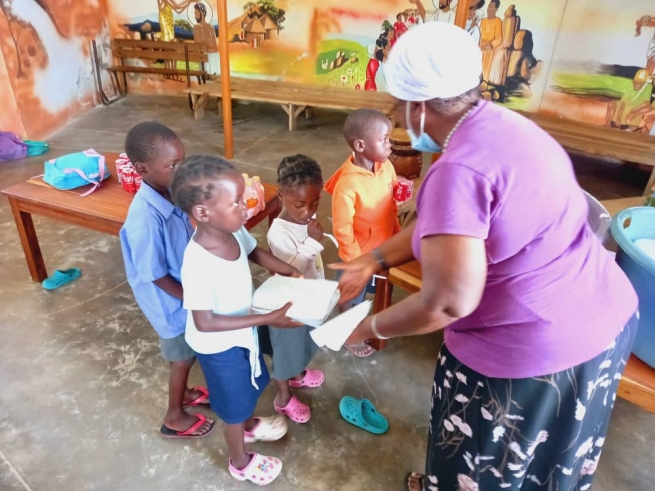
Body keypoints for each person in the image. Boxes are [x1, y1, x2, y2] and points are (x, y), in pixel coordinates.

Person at [332, 23, 638, 491]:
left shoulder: (458, 169)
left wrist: (370, 326)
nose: (398, 122)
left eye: (397, 108)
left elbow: (448, 304)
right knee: (546, 460)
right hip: (602, 319)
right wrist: (373, 258)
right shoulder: (503, 125)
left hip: (532, 352)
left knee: (481, 463)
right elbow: (448, 226)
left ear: (417, 106)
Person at [172, 155, 303, 486]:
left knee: (246, 386)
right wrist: (269, 317)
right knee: (231, 404)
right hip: (219, 345)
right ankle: (240, 460)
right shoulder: (198, 262)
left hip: (243, 330)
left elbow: (253, 251)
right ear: (202, 212)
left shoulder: (232, 230)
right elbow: (205, 322)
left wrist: (287, 269)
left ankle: (246, 424)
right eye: (235, 202)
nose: (245, 208)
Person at [119, 122, 215, 440]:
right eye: (174, 165)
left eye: (182, 161)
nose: (181, 170)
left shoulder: (170, 191)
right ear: (142, 169)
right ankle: (174, 414)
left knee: (187, 353)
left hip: (183, 292)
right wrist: (192, 298)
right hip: (170, 305)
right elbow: (156, 275)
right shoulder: (144, 219)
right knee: (182, 357)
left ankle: (186, 394)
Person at [324, 109, 400, 358]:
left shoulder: (386, 166)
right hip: (357, 256)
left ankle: (362, 322)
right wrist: (356, 263)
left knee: (373, 291)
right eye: (384, 139)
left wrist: (397, 232)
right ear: (360, 145)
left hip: (383, 247)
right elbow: (343, 229)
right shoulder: (347, 185)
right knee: (351, 295)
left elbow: (391, 202)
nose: (390, 144)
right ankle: (347, 334)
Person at [264, 155, 327, 424]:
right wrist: (312, 243)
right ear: (281, 195)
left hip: (307, 298)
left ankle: (298, 374)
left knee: (303, 342)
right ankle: (282, 397)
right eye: (299, 204)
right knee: (285, 352)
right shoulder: (278, 232)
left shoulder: (305, 221)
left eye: (315, 202)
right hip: (287, 307)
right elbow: (288, 270)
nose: (308, 211)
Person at [192, 2, 220, 76]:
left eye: (196, 14)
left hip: (209, 56)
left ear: (202, 13)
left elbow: (197, 43)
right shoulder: (199, 27)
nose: (195, 16)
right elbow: (197, 44)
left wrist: (205, 46)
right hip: (208, 55)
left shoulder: (208, 27)